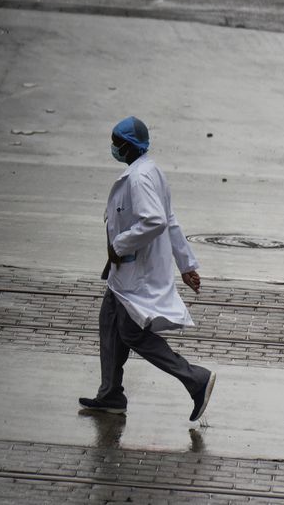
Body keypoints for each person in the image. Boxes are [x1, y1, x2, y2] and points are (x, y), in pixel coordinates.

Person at [79, 116, 216, 421]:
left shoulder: (140, 178)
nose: (113, 148)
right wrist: (186, 264)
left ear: (127, 146)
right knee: (110, 324)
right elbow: (171, 219)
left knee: (130, 332)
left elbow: (155, 221)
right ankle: (110, 394)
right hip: (126, 272)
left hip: (135, 272)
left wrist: (120, 245)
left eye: (117, 143)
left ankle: (196, 378)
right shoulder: (151, 171)